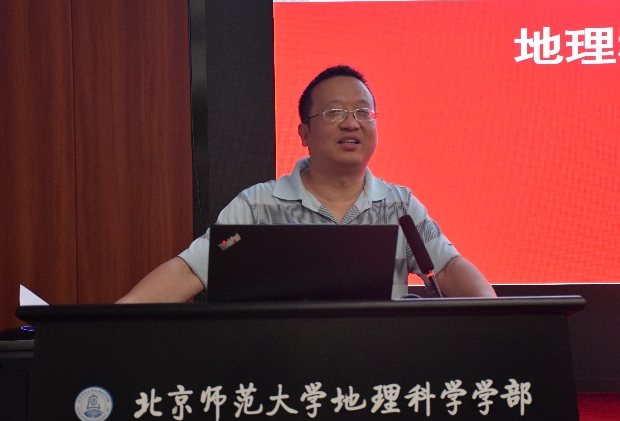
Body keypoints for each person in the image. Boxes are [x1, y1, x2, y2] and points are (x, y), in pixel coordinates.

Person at [117, 65, 496, 303]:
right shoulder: (256, 206)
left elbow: (448, 269)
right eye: (334, 112)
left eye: (363, 112)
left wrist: (495, 320)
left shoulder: (400, 206)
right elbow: (192, 270)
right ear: (304, 132)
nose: (352, 123)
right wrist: (116, 321)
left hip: (380, 374)